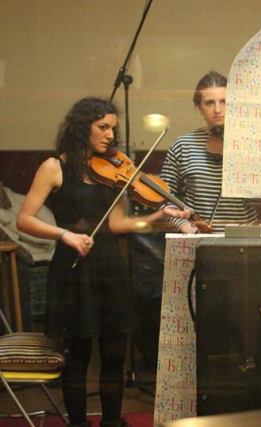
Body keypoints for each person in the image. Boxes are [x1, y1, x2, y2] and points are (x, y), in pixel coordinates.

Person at [16, 97, 189, 427]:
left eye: (113, 128)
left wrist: (155, 217)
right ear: (83, 127)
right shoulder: (54, 167)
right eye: (102, 127)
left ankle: (112, 422)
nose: (110, 135)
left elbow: (117, 224)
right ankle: (78, 424)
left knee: (113, 354)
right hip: (73, 266)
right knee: (77, 356)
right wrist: (65, 234)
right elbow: (25, 219)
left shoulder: (111, 171)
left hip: (110, 267)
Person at [160, 71, 259, 233]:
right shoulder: (182, 146)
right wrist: (185, 227)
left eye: (224, 102)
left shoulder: (250, 144)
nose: (218, 109)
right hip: (197, 236)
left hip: (244, 236)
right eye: (209, 103)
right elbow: (164, 199)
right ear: (199, 107)